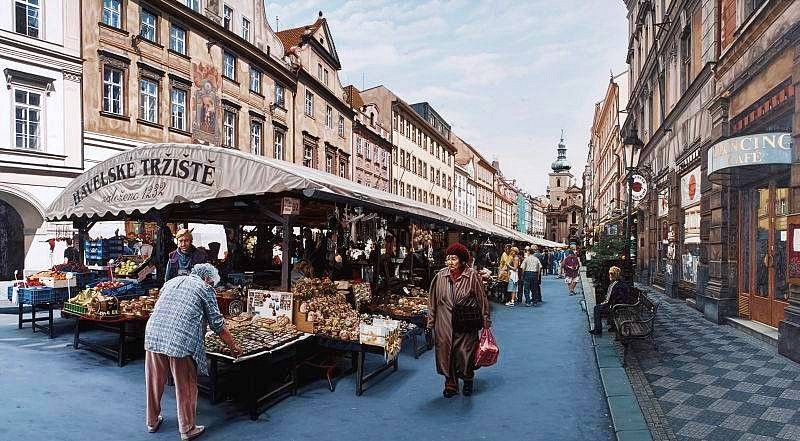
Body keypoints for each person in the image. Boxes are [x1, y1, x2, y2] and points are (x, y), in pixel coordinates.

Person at [144, 264, 241, 440]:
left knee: (154, 381)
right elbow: (218, 325)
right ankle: (187, 428)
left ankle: (152, 421)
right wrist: (234, 347)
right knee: (186, 384)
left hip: (154, 332)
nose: (212, 286)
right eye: (212, 283)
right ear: (207, 279)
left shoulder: (172, 282)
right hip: (181, 338)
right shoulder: (205, 289)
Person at [427, 243, 491, 398]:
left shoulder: (472, 275)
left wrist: (485, 320)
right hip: (444, 323)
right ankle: (450, 384)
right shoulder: (440, 276)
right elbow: (432, 301)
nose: (450, 262)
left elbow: (481, 298)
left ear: (462, 260)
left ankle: (467, 379)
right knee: (445, 354)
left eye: (454, 259)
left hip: (466, 322)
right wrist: (430, 323)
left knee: (465, 355)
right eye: (448, 259)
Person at [590, 266, 636, 336]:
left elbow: (620, 299)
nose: (609, 276)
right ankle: (610, 326)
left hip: (618, 307)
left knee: (596, 308)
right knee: (598, 307)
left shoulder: (619, 285)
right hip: (615, 305)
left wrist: (609, 303)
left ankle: (598, 330)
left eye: (610, 274)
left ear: (614, 275)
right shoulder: (617, 282)